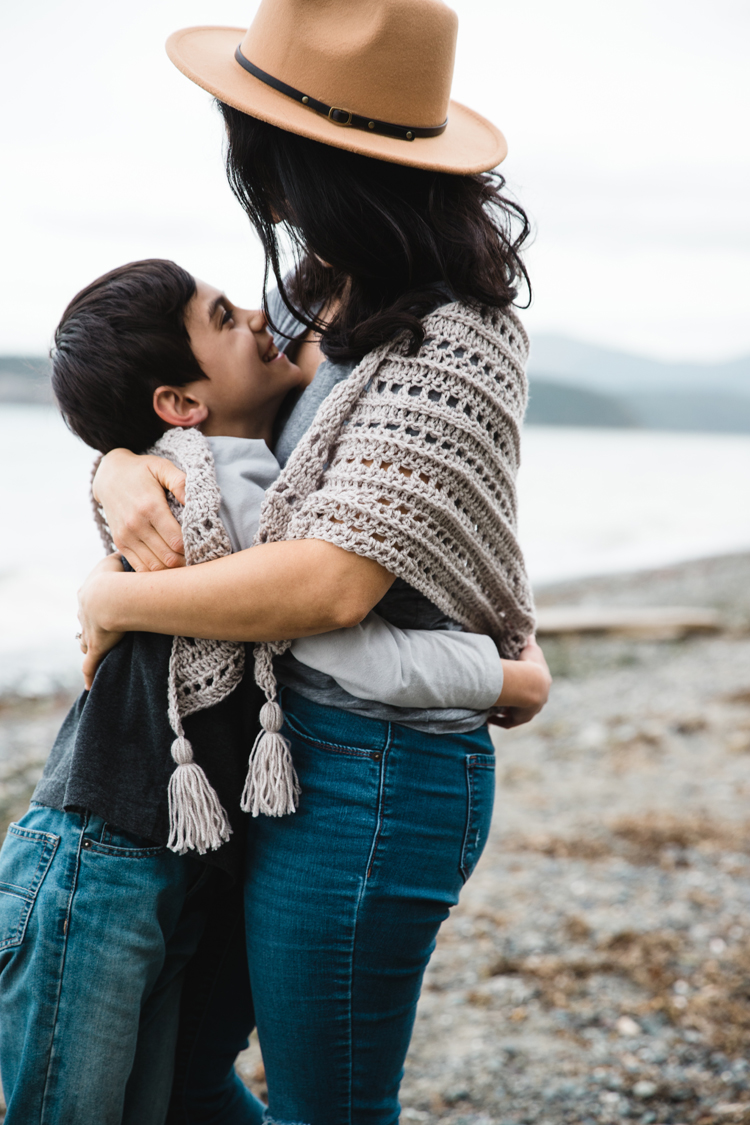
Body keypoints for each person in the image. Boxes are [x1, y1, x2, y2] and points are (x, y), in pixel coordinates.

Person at [77, 0, 549, 1119]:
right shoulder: (312, 299)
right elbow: (200, 435)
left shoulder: (457, 338)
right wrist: (118, 469)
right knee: (176, 1072)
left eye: (266, 152)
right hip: (277, 748)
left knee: (328, 1108)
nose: (258, 184)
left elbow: (334, 579)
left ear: (315, 167)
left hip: (381, 775)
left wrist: (116, 597)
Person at [0, 256, 548, 1124]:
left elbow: (417, 525)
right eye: (226, 316)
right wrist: (114, 467)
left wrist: (114, 569)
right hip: (111, 850)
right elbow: (336, 628)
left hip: (211, 828)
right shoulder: (228, 460)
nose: (261, 316)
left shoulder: (402, 339)